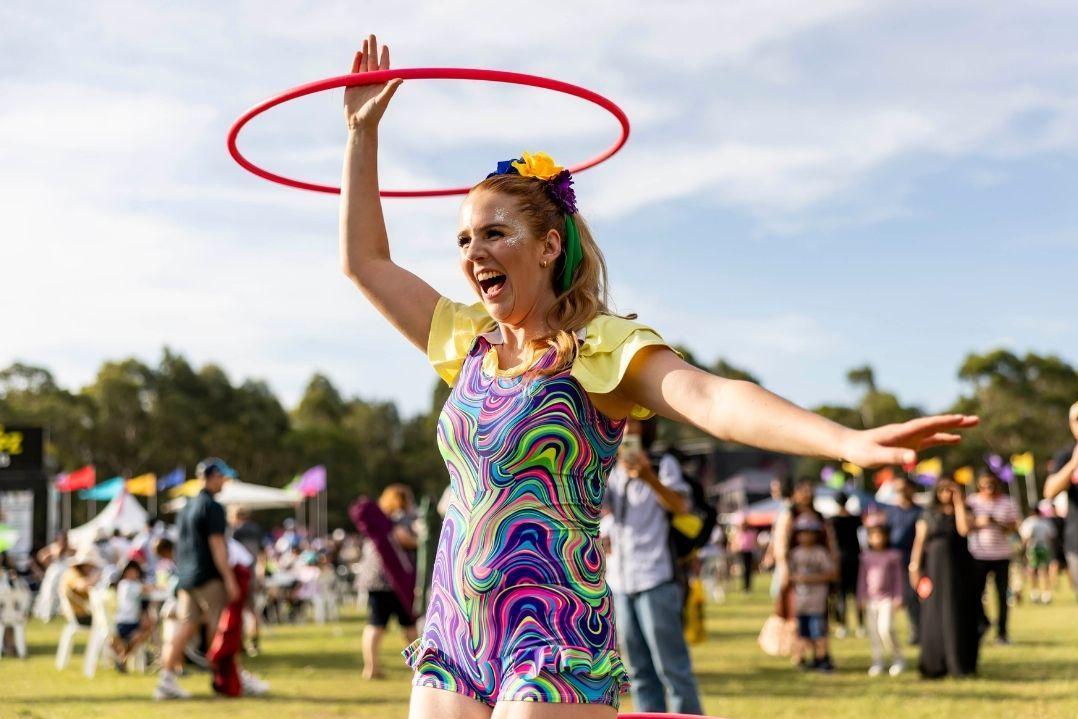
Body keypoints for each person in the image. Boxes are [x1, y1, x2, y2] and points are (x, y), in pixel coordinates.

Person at [340, 34, 977, 719]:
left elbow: (713, 398)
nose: (474, 253)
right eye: (465, 238)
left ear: (549, 244)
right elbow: (367, 262)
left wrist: (844, 441)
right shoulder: (465, 340)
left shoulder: (598, 347)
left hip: (552, 629)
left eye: (495, 233)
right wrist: (361, 133)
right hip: (455, 622)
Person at [604, 418, 703, 714]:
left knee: (672, 668)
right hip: (620, 579)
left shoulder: (663, 464)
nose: (626, 431)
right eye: (621, 424)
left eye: (633, 424)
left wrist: (648, 476)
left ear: (645, 429)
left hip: (655, 576)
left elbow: (681, 506)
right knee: (636, 672)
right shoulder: (607, 466)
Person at [155, 457, 239, 700]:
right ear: (213, 477)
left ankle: (166, 679)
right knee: (221, 626)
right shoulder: (212, 507)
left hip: (186, 577)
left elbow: (180, 546)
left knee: (185, 625)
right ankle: (226, 676)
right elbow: (217, 546)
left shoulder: (187, 506)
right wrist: (229, 578)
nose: (224, 482)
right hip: (208, 576)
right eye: (222, 477)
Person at [910, 478, 979, 678]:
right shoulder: (927, 515)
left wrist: (959, 502)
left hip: (959, 572)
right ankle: (934, 664)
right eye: (942, 491)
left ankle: (959, 663)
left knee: (957, 614)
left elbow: (964, 530)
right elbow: (919, 544)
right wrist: (914, 570)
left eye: (950, 490)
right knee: (934, 614)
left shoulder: (965, 511)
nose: (946, 494)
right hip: (934, 571)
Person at [356, 484, 420, 680]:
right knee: (409, 625)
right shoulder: (399, 520)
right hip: (396, 582)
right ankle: (420, 668)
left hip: (374, 580)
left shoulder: (379, 522)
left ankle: (371, 667)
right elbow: (407, 540)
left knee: (375, 624)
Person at [967, 471, 1019, 644]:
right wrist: (978, 523)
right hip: (978, 556)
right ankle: (982, 624)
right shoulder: (972, 502)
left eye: (992, 484)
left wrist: (996, 522)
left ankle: (1002, 633)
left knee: (1003, 597)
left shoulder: (1007, 502)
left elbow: (1013, 528)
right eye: (985, 485)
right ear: (979, 486)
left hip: (1002, 556)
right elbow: (964, 526)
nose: (988, 488)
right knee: (975, 595)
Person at [787, 514, 836, 672]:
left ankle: (821, 658)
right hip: (801, 603)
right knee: (802, 632)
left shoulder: (820, 553)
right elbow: (789, 575)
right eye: (802, 532)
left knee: (819, 632)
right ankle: (802, 658)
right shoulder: (795, 554)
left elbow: (831, 573)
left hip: (817, 602)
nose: (805, 536)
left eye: (809, 532)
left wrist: (810, 578)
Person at [857, 516, 905, 676]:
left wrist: (898, 596)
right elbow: (862, 579)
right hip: (871, 599)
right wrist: (861, 597)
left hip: (887, 598)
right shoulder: (865, 557)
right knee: (873, 632)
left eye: (879, 535)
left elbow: (898, 578)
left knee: (885, 629)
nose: (876, 539)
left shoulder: (893, 555)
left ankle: (897, 658)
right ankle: (877, 660)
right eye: (873, 536)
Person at [1044, 400, 1078, 599]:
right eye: (1077, 419)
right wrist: (1074, 462)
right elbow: (1049, 491)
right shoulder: (1066, 456)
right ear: (1070, 424)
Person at [883, 475, 924, 643]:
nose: (901, 492)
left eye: (904, 488)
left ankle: (918, 631)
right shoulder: (890, 512)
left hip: (913, 561)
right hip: (893, 561)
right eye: (898, 489)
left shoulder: (920, 512)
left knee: (912, 597)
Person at [830, 491, 863, 638]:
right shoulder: (855, 519)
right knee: (857, 595)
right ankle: (860, 626)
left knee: (841, 595)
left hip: (840, 561)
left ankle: (843, 626)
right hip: (855, 560)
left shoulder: (832, 520)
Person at [111, 559, 154, 671]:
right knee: (146, 630)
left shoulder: (130, 585)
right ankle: (125, 657)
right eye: (130, 571)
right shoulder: (126, 584)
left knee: (148, 627)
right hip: (125, 622)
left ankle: (123, 658)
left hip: (131, 621)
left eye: (135, 571)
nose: (132, 574)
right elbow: (147, 588)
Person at [1019, 504, 1057, 604]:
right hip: (1044, 548)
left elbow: (1025, 538)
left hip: (1032, 549)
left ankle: (1034, 594)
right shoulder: (1045, 522)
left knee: (1031, 570)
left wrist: (1022, 551)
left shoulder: (1027, 522)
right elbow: (1052, 536)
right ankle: (1046, 595)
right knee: (1043, 571)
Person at [60, 548, 103, 626]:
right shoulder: (72, 573)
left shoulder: (80, 574)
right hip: (80, 616)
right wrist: (94, 579)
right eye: (90, 566)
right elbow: (80, 585)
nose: (92, 569)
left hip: (85, 613)